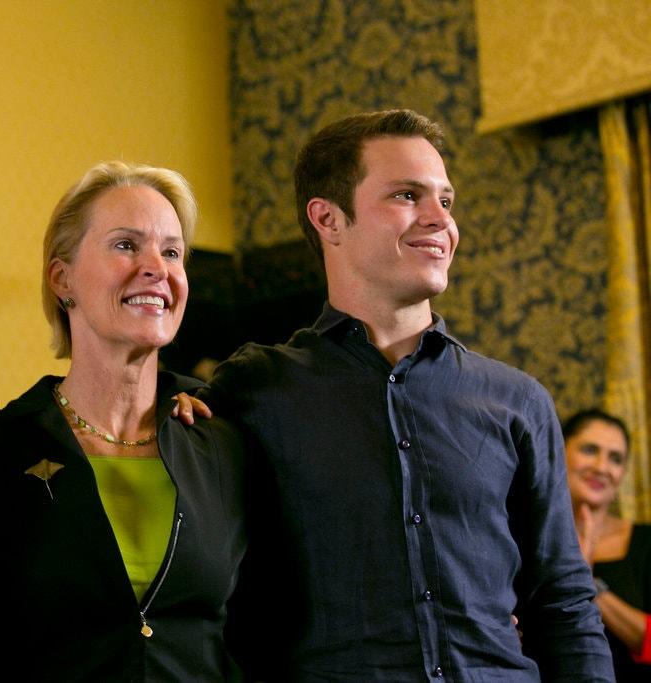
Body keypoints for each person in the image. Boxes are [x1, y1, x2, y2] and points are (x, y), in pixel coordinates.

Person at [200, 110, 613, 680]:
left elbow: (564, 603)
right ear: (328, 219)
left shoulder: (518, 401)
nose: (439, 219)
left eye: (446, 200)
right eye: (407, 195)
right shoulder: (253, 390)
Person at [0, 161, 247, 680]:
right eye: (126, 245)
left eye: (172, 252)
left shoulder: (225, 444)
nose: (157, 267)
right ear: (63, 279)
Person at [565, 408, 651, 680]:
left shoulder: (645, 542)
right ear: (558, 452)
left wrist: (589, 583)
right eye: (590, 450)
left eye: (615, 458)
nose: (602, 467)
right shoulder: (521, 535)